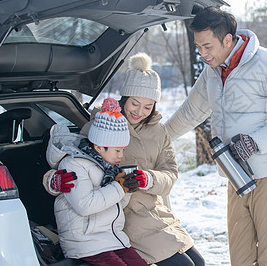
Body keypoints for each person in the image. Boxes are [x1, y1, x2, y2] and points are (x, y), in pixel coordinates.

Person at [164, 6, 267, 265]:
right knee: (240, 259)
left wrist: (255, 142)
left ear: (228, 39)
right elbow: (191, 112)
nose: (203, 54)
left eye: (208, 46)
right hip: (236, 178)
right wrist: (157, 139)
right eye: (198, 47)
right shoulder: (213, 71)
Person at [44, 53, 204, 266]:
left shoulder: (158, 132)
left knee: (198, 263)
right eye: (135, 104)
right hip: (122, 217)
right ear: (125, 98)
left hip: (153, 211)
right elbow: (71, 160)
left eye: (148, 107)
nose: (139, 112)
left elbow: (170, 174)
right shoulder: (100, 127)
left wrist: (148, 179)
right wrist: (51, 181)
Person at [46, 98, 148, 266]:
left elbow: (117, 205)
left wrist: (127, 189)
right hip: (85, 241)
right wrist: (119, 187)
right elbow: (85, 205)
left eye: (122, 150)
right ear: (99, 147)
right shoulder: (73, 164)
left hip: (111, 237)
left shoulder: (107, 164)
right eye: (117, 150)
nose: (121, 155)